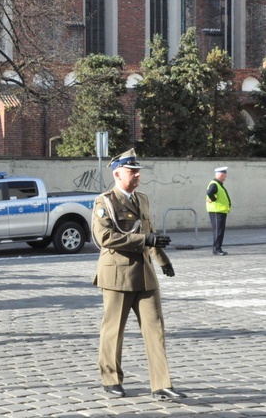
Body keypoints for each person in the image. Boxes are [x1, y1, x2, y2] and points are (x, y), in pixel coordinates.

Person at [92, 148, 186, 400]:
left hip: (144, 274)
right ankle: (111, 379)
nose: (137, 176)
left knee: (155, 329)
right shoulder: (105, 202)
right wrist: (144, 239)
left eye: (138, 172)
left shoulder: (141, 199)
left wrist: (163, 260)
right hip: (117, 275)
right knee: (114, 330)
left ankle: (161, 384)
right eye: (132, 172)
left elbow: (150, 230)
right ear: (117, 174)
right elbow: (105, 237)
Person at [206, 166, 231, 256]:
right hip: (216, 211)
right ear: (221, 175)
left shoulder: (217, 184)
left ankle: (217, 248)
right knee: (218, 231)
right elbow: (209, 192)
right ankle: (217, 249)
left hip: (220, 211)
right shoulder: (214, 184)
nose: (226, 177)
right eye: (225, 175)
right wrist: (213, 199)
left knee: (219, 230)